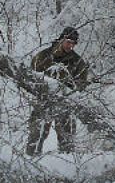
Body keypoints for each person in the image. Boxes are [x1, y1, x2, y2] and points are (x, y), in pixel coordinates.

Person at [25, 26, 90, 155]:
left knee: (67, 141)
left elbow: (81, 85)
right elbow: (31, 77)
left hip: (65, 104)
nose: (70, 46)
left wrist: (71, 91)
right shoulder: (43, 56)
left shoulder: (77, 62)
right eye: (68, 42)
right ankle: (30, 162)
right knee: (36, 136)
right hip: (43, 102)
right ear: (61, 39)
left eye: (73, 43)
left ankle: (68, 164)